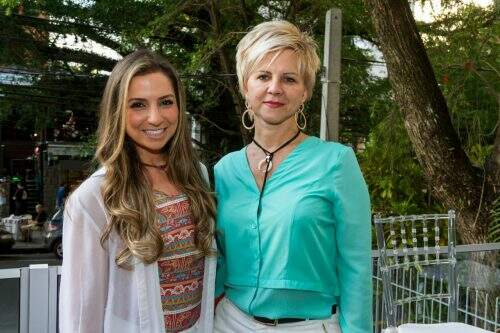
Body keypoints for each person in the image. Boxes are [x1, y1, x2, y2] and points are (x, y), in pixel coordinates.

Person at [213, 21, 372, 333]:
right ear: (246, 86)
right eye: (263, 76)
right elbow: (215, 262)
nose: (275, 88)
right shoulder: (223, 171)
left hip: (310, 326)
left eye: (289, 78)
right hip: (229, 324)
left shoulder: (337, 163)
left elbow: (357, 268)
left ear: (305, 92)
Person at [59, 49, 217, 333]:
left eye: (166, 102)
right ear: (118, 111)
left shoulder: (198, 176)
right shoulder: (94, 197)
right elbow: (82, 310)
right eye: (138, 105)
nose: (155, 118)